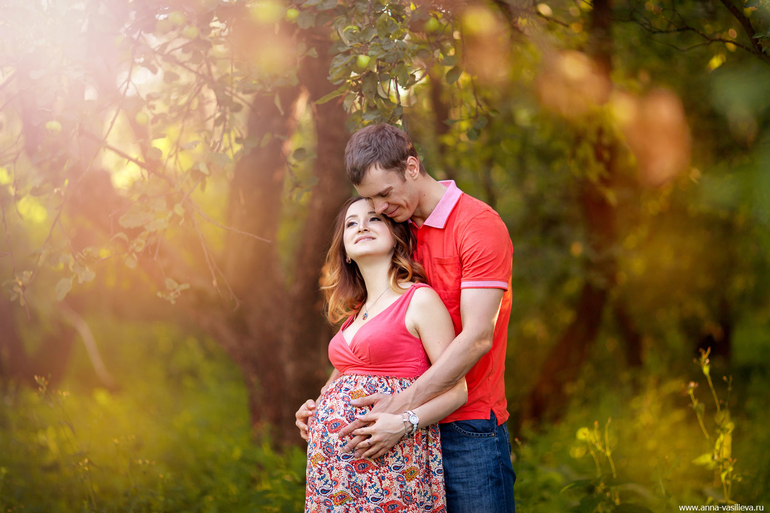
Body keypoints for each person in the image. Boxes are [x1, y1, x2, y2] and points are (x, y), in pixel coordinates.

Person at [324, 124, 516, 513]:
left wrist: (403, 408)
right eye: (369, 200)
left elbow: (479, 337)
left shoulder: (477, 225)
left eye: (384, 194)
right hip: (403, 438)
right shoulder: (398, 229)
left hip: (468, 427)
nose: (378, 209)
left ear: (412, 167)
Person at [298, 196, 467, 512]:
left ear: (396, 236)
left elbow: (458, 390)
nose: (361, 225)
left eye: (373, 218)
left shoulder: (419, 300)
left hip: (391, 468)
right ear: (346, 252)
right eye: (351, 223)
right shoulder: (354, 316)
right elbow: (343, 382)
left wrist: (405, 422)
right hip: (334, 479)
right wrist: (314, 412)